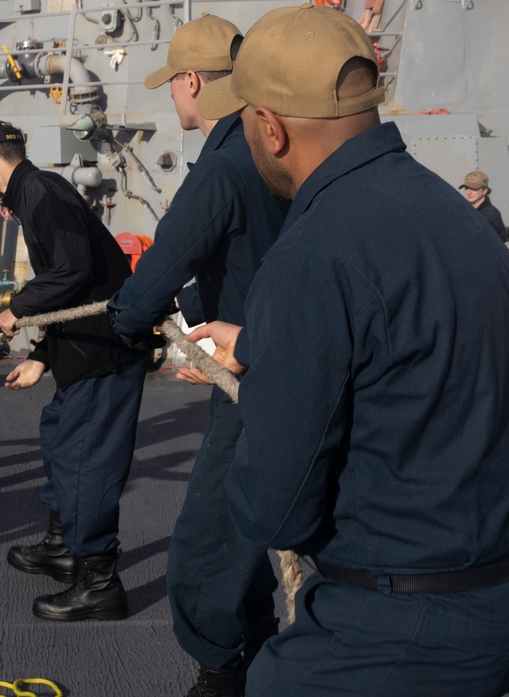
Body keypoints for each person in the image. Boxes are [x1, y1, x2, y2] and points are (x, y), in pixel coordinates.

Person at [185, 4, 509, 695]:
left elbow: (277, 509)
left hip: (391, 625)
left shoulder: (310, 255)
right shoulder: (461, 218)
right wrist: (269, 343)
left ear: (268, 127)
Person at [106, 14, 288, 697]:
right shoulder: (271, 148)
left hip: (249, 376)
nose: (173, 101)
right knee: (247, 525)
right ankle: (259, 649)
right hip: (281, 355)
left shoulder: (221, 164)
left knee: (203, 544)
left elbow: (153, 276)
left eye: (173, 88)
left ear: (191, 82)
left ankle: (223, 670)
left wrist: (122, 324)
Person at [0, 120, 149, 622]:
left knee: (89, 464)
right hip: (77, 351)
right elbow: (70, 285)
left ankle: (100, 582)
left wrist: (13, 313)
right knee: (59, 438)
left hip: (102, 355)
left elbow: (73, 269)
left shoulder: (39, 190)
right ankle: (64, 546)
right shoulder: (35, 194)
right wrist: (41, 356)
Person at [459, 170, 507, 241]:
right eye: (466, 188)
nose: (469, 192)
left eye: (474, 188)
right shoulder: (464, 211)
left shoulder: (491, 215)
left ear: (485, 190)